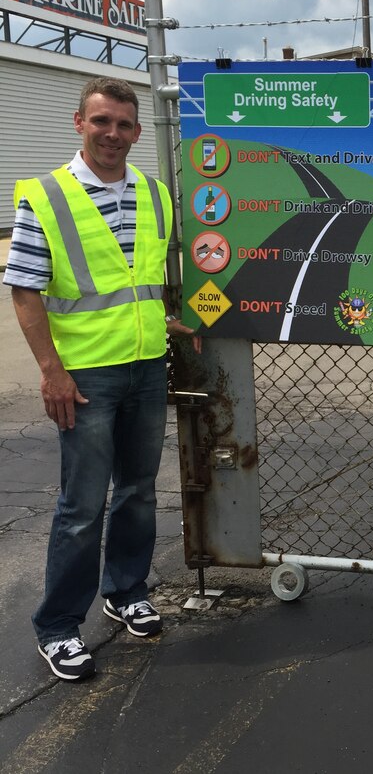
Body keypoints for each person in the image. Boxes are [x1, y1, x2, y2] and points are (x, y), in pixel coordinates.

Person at [3, 77, 200, 682]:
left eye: (123, 124)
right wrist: (51, 371)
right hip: (84, 375)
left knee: (139, 490)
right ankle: (59, 626)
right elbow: (25, 289)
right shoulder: (46, 195)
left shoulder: (156, 193)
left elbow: (139, 279)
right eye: (101, 122)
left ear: (138, 132)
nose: (113, 133)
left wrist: (162, 317)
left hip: (145, 365)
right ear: (79, 123)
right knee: (82, 505)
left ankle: (125, 589)